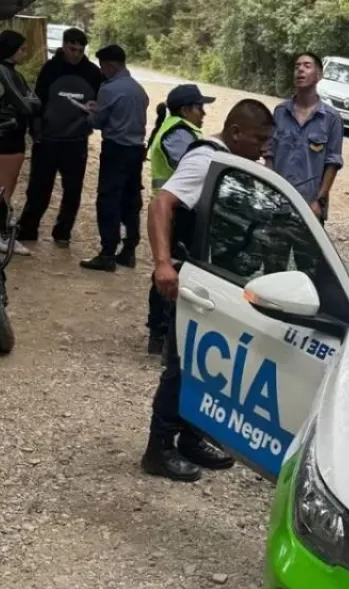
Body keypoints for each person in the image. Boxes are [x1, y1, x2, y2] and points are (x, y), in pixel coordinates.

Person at [142, 99, 274, 481]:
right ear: (235, 133)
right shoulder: (206, 160)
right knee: (183, 365)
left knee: (208, 365)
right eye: (258, 138)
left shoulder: (234, 160)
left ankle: (190, 437)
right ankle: (159, 448)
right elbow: (161, 203)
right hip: (194, 280)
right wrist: (163, 263)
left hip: (221, 280)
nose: (264, 146)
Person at [144, 83, 216, 356]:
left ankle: (162, 333)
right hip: (173, 211)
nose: (204, 113)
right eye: (200, 107)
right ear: (186, 109)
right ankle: (159, 334)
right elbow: (190, 170)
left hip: (175, 208)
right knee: (168, 270)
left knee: (174, 268)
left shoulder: (180, 129)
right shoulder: (178, 133)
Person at [16, 27, 103, 248]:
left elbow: (102, 104)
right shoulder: (50, 69)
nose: (76, 54)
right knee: (38, 188)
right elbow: (37, 102)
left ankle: (63, 232)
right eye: (72, 49)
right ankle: (28, 229)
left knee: (72, 190)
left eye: (81, 50)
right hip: (48, 139)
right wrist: (35, 131)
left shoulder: (93, 73)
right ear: (64, 46)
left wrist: (94, 111)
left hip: (76, 142)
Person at [80, 44, 149, 272]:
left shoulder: (109, 89)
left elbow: (99, 122)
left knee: (108, 199)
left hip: (116, 149)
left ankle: (107, 253)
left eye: (103, 67)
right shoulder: (139, 90)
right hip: (136, 150)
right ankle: (129, 251)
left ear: (110, 65)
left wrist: (90, 112)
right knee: (131, 199)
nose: (102, 71)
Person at [263, 51, 344, 222]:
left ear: (319, 75)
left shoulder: (331, 119)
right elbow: (269, 155)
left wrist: (319, 202)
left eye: (307, 66)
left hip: (310, 207)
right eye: (297, 66)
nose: (300, 70)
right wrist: (269, 192)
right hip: (278, 204)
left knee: (306, 250)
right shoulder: (280, 112)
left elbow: (333, 163)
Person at [0, 29, 41, 256]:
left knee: (5, 187)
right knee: (3, 190)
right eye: (22, 49)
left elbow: (31, 97)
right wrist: (32, 102)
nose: (25, 53)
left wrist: (32, 100)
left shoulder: (11, 72)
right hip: (4, 137)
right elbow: (27, 103)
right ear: (10, 49)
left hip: (13, 136)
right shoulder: (2, 71)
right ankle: (0, 235)